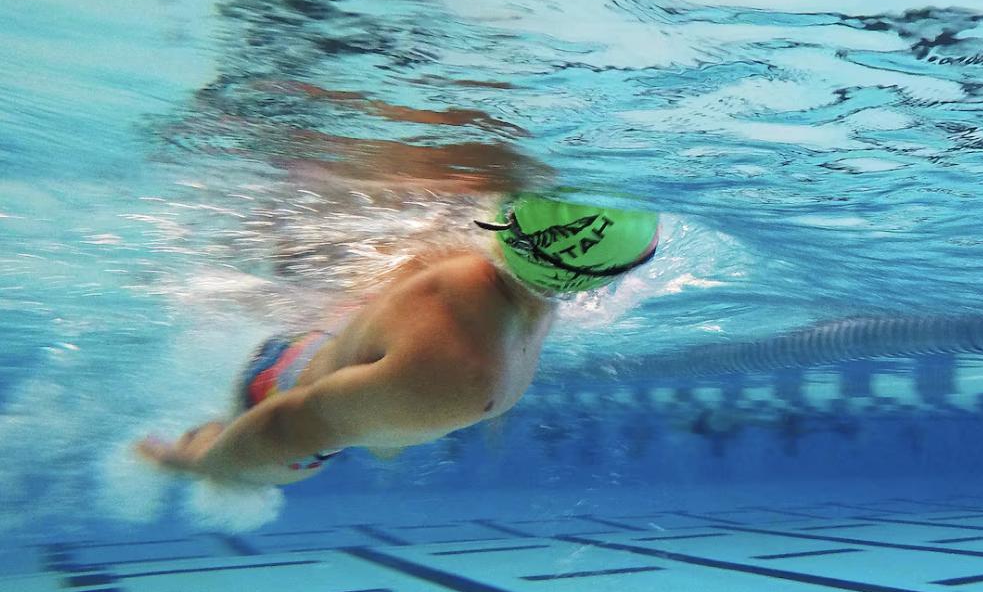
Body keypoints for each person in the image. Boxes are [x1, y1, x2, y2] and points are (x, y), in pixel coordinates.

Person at [137, 195, 659, 486]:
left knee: (383, 423)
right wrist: (197, 463)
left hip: (333, 354)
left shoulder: (498, 286)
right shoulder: (463, 373)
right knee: (255, 460)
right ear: (596, 274)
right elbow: (288, 424)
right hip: (275, 394)